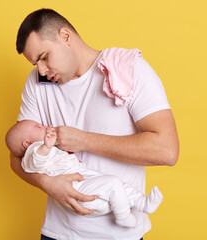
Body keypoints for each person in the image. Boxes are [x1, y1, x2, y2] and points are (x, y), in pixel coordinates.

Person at [10, 8, 179, 240]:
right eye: (35, 64)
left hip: (120, 235)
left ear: (65, 36)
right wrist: (46, 183)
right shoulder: (37, 82)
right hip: (58, 234)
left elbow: (167, 150)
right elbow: (18, 153)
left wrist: (85, 140)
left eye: (44, 57)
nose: (41, 70)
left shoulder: (128, 69)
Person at [5, 120, 164, 228]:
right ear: (27, 143)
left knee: (118, 188)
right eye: (38, 127)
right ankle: (123, 216)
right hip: (76, 188)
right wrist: (46, 146)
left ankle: (142, 203)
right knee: (113, 184)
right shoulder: (33, 153)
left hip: (83, 181)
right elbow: (36, 162)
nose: (43, 126)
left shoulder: (45, 147)